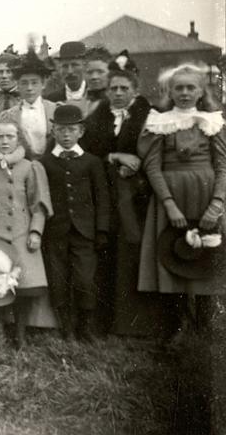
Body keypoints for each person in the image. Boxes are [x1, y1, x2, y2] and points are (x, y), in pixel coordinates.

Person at [137, 63, 226, 336]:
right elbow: (152, 166)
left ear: (201, 92)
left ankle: (204, 326)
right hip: (171, 197)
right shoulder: (159, 122)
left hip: (206, 194)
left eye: (191, 87)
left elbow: (223, 165)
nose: (185, 93)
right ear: (170, 92)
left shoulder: (212, 122)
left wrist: (217, 203)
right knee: (171, 253)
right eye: (179, 88)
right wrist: (169, 204)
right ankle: (174, 327)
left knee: (206, 255)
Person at [80, 60, 167, 336]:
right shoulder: (98, 116)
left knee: (135, 251)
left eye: (123, 88)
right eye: (113, 88)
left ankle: (139, 322)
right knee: (107, 253)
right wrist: (114, 156)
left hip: (138, 196)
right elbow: (88, 151)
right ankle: (107, 322)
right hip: (105, 194)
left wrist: (137, 162)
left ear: (135, 90)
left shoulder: (149, 115)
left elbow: (157, 152)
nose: (117, 93)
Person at [0, 117, 53, 346]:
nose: (4, 142)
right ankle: (0, 332)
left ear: (18, 139)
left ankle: (21, 334)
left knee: (23, 286)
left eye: (10, 137)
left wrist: (36, 231)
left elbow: (39, 204)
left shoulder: (30, 167)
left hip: (22, 234)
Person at [40, 104, 110, 341]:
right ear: (54, 131)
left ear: (81, 131)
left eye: (71, 130)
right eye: (61, 130)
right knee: (58, 278)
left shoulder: (92, 162)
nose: (66, 135)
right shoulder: (45, 162)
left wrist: (101, 229)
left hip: (85, 232)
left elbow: (102, 197)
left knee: (84, 279)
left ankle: (85, 326)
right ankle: (66, 326)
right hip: (55, 231)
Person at [1, 50, 57, 158]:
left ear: (43, 84)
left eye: (34, 83)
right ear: (18, 85)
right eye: (24, 83)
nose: (29, 88)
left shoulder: (55, 110)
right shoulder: (9, 115)